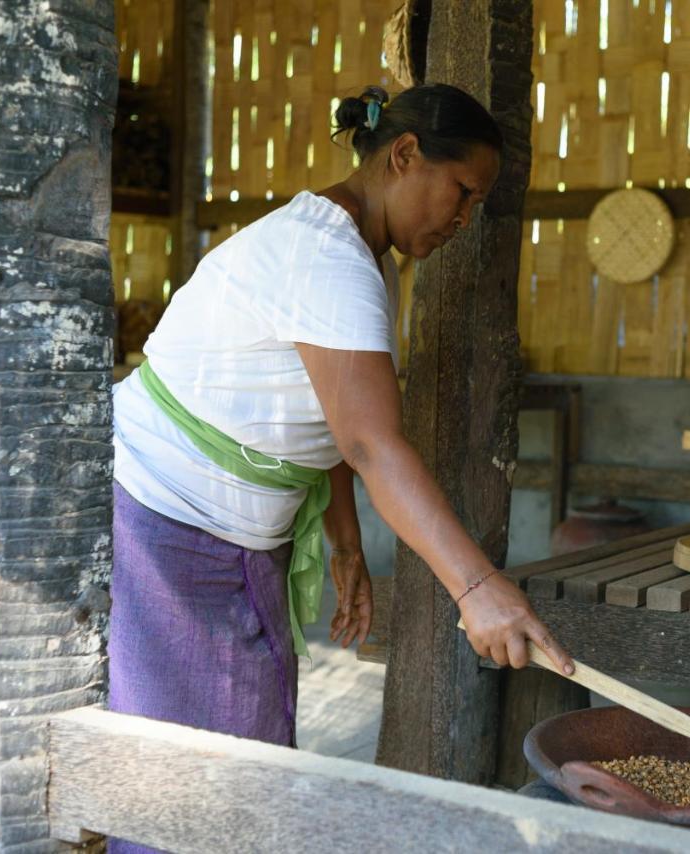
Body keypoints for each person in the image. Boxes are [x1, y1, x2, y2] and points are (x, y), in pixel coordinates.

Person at [109, 83, 572, 790]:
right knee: (194, 778)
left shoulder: (356, 253)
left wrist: (346, 543)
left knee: (243, 749)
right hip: (166, 521)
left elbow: (322, 417)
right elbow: (371, 445)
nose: (466, 217)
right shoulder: (328, 258)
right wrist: (476, 587)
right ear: (405, 155)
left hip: (211, 524)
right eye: (463, 191)